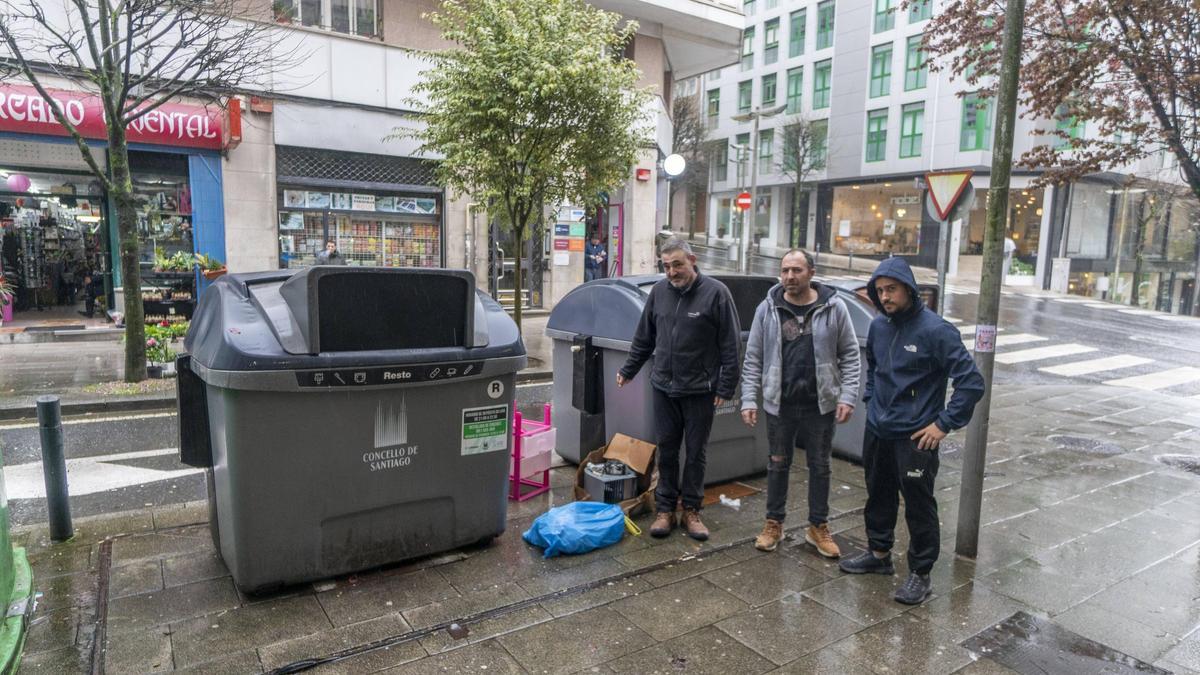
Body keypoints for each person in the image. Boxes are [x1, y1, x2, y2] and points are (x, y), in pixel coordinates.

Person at [838, 257, 984, 605]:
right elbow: (873, 367)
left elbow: (972, 383)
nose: (884, 297)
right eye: (879, 291)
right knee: (878, 494)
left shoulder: (936, 331)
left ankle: (921, 574)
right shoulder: (879, 326)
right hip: (879, 430)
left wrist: (943, 424)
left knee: (918, 504)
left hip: (916, 437)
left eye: (891, 289)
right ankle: (879, 554)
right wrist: (872, 399)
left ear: (909, 289)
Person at [617, 238, 740, 541]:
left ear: (692, 260)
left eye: (677, 264)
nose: (671, 271)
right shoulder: (659, 292)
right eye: (666, 265)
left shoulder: (717, 294)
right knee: (667, 450)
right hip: (663, 388)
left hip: (700, 390)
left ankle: (692, 510)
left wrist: (726, 385)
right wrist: (629, 370)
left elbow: (731, 346)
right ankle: (665, 510)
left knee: (696, 453)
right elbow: (644, 337)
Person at [741, 249, 861, 557]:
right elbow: (753, 356)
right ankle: (773, 523)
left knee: (820, 466)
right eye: (784, 271)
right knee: (777, 464)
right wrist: (747, 400)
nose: (789, 277)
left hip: (820, 405)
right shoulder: (767, 309)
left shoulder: (834, 307)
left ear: (811, 272)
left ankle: (817, 527)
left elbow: (850, 353)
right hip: (780, 404)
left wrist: (847, 395)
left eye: (796, 270)